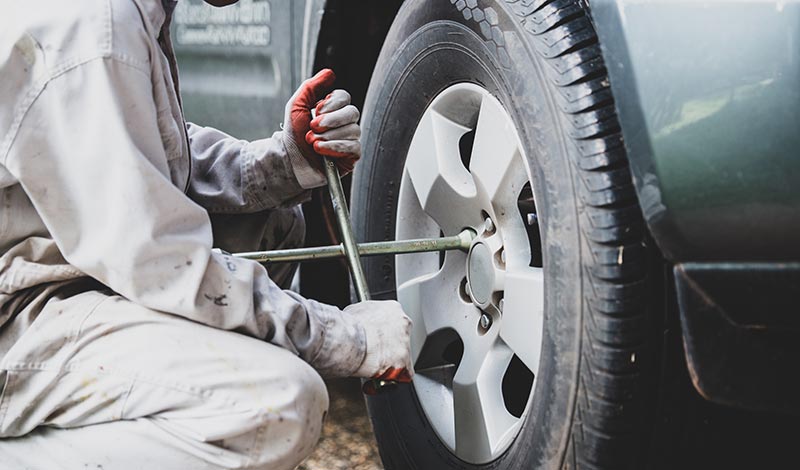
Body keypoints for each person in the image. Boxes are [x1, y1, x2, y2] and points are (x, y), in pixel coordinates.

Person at [0, 0, 413, 468]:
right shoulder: (92, 27)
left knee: (271, 225)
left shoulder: (130, 13)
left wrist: (285, 164)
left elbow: (135, 153)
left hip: (56, 270)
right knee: (277, 408)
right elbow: (162, 263)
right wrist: (350, 339)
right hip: (16, 322)